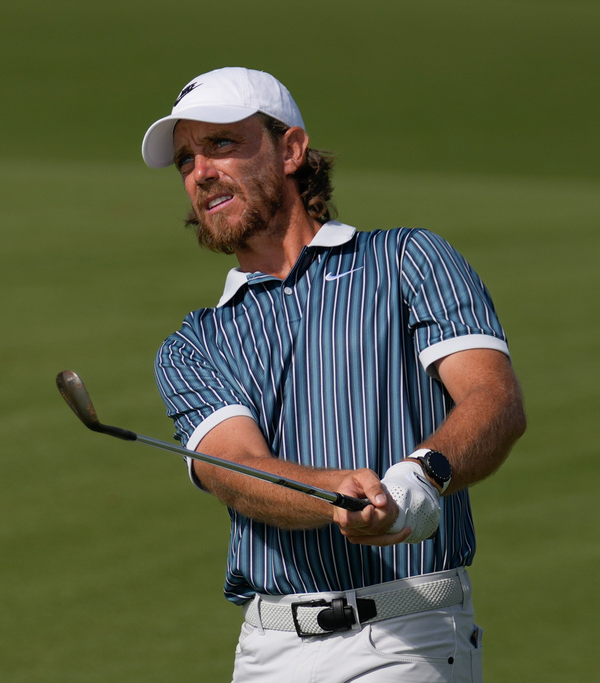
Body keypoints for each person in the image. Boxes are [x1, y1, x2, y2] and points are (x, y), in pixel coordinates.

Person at [140, 67, 526, 682]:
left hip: (408, 632)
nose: (200, 172)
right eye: (186, 159)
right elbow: (234, 470)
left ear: (291, 150)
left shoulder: (407, 260)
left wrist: (419, 480)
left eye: (222, 144)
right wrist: (338, 495)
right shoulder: (193, 346)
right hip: (268, 649)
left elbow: (493, 398)